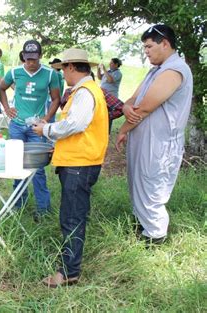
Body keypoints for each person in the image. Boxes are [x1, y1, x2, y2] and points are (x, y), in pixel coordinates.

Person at [33, 48, 109, 287]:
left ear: (72, 68)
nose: (63, 74)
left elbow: (75, 124)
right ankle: (69, 267)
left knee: (72, 218)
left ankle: (68, 272)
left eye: (63, 69)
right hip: (79, 162)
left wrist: (46, 130)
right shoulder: (86, 90)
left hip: (80, 164)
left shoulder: (85, 92)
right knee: (73, 215)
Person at [116, 24, 193, 245]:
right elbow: (132, 100)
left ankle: (155, 237)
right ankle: (142, 225)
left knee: (152, 187)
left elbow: (146, 107)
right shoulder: (156, 70)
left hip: (160, 143)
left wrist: (123, 129)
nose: (146, 51)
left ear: (165, 44)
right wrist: (125, 108)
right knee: (137, 181)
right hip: (143, 139)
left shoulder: (174, 70)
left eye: (149, 46)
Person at [0, 40, 61, 221]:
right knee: (16, 164)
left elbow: (56, 99)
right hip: (17, 125)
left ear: (40, 56)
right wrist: (6, 108)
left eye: (34, 59)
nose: (30, 63)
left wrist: (46, 120)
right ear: (23, 57)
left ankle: (43, 209)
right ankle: (19, 204)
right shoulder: (14, 72)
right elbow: (1, 88)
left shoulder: (50, 75)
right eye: (27, 59)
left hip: (37, 128)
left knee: (38, 168)